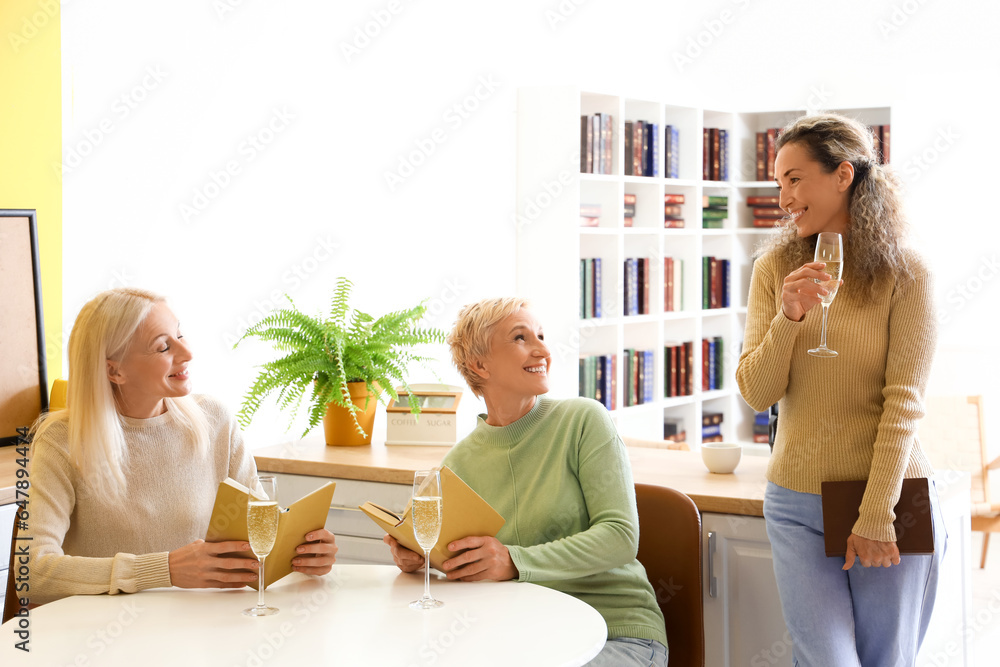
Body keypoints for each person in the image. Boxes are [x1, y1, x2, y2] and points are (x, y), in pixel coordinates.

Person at [736, 113, 945, 666]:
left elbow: (903, 403)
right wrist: (789, 317)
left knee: (884, 660)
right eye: (778, 182)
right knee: (825, 660)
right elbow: (758, 394)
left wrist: (878, 512)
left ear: (843, 175)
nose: (783, 197)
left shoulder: (907, 272)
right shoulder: (775, 268)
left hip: (888, 494)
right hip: (795, 499)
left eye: (795, 178)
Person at [384, 297, 668, 666]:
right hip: (518, 635)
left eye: (541, 336)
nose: (543, 349)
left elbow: (620, 537)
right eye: (521, 338)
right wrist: (416, 557)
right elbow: (440, 546)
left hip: (615, 633)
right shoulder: (460, 462)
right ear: (479, 364)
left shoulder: (582, 420)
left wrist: (513, 561)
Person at [26, 287, 338, 605]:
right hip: (106, 643)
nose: (187, 353)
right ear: (114, 370)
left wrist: (302, 555)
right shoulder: (60, 441)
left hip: (201, 635)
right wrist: (165, 570)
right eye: (163, 347)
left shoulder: (215, 421)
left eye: (180, 334)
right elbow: (34, 575)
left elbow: (259, 545)